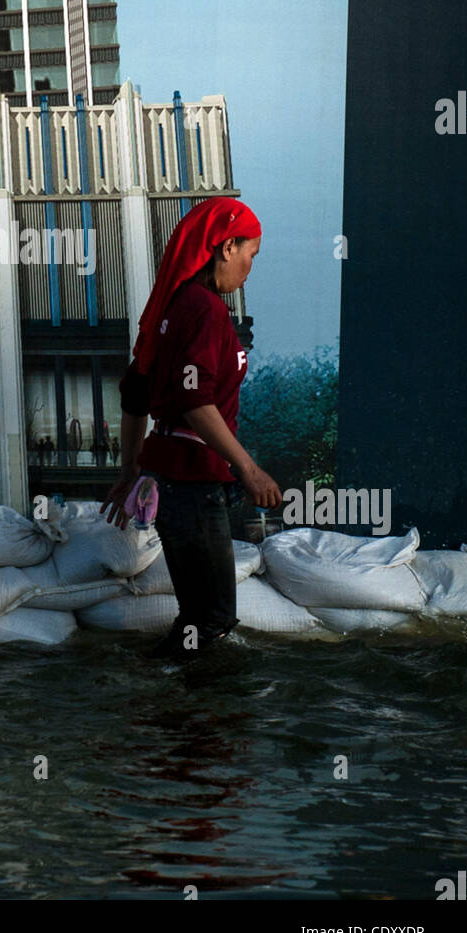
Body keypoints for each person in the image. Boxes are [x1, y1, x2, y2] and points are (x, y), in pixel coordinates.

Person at [101, 197, 282, 660]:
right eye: (250, 254)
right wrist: (249, 469)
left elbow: (135, 396)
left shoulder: (172, 306)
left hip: (172, 481)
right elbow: (196, 400)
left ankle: (171, 707)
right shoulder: (202, 309)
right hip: (193, 483)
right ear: (226, 246)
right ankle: (182, 711)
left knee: (196, 617)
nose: (250, 267)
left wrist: (129, 471)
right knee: (213, 619)